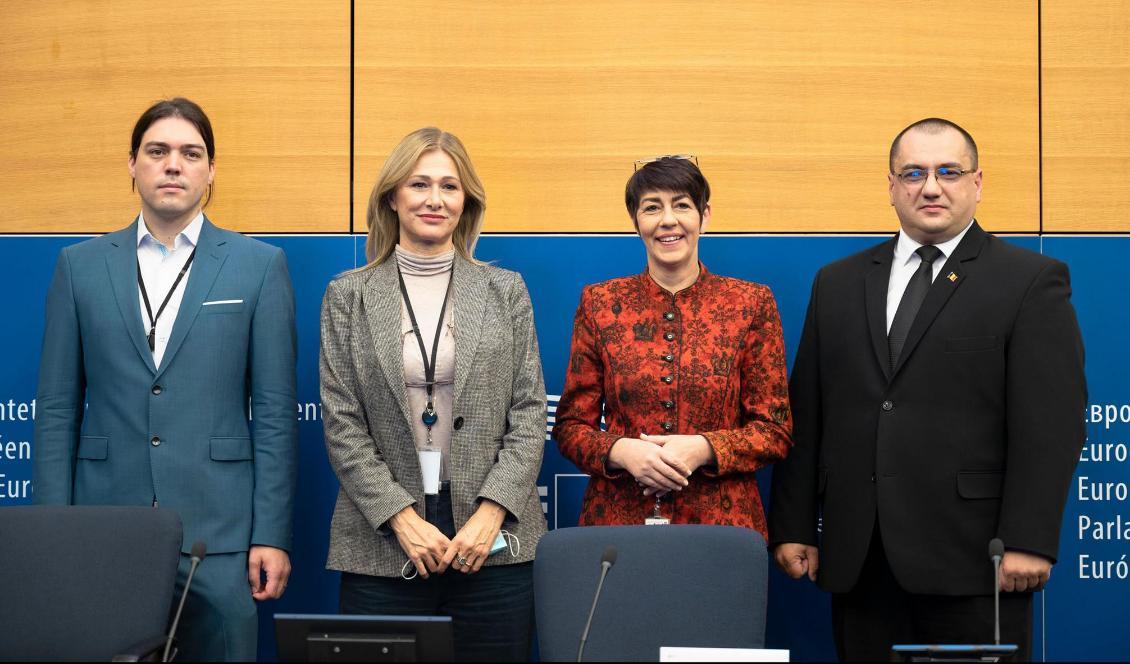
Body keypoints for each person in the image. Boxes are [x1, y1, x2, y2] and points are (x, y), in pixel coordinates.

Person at [769, 118, 1087, 661]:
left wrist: (1030, 539)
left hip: (976, 560)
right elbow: (810, 413)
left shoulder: (1030, 281)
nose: (931, 187)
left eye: (949, 172)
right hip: (860, 560)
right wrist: (794, 526)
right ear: (891, 186)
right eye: (913, 173)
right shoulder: (838, 282)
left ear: (977, 182)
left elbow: (1050, 425)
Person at [33, 97, 298, 661]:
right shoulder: (79, 266)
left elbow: (275, 414)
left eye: (190, 153)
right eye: (157, 151)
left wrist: (270, 533)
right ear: (132, 164)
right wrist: (51, 534)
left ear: (210, 170)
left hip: (220, 536)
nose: (173, 164)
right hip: (103, 529)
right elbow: (57, 410)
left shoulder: (258, 265)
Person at [319, 127, 547, 662]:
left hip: (494, 543)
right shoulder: (347, 295)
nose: (434, 199)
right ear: (393, 196)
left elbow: (530, 411)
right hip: (383, 540)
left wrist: (492, 512)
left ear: (466, 201)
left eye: (449, 186)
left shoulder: (504, 289)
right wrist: (402, 518)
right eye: (419, 184)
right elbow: (342, 422)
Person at [552, 155, 792, 535]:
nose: (668, 220)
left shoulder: (750, 303)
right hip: (619, 524)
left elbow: (774, 430)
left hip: (722, 528)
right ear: (636, 222)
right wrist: (622, 452)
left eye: (681, 205)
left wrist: (703, 448)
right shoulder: (599, 303)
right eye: (652, 208)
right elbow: (569, 426)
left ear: (704, 215)